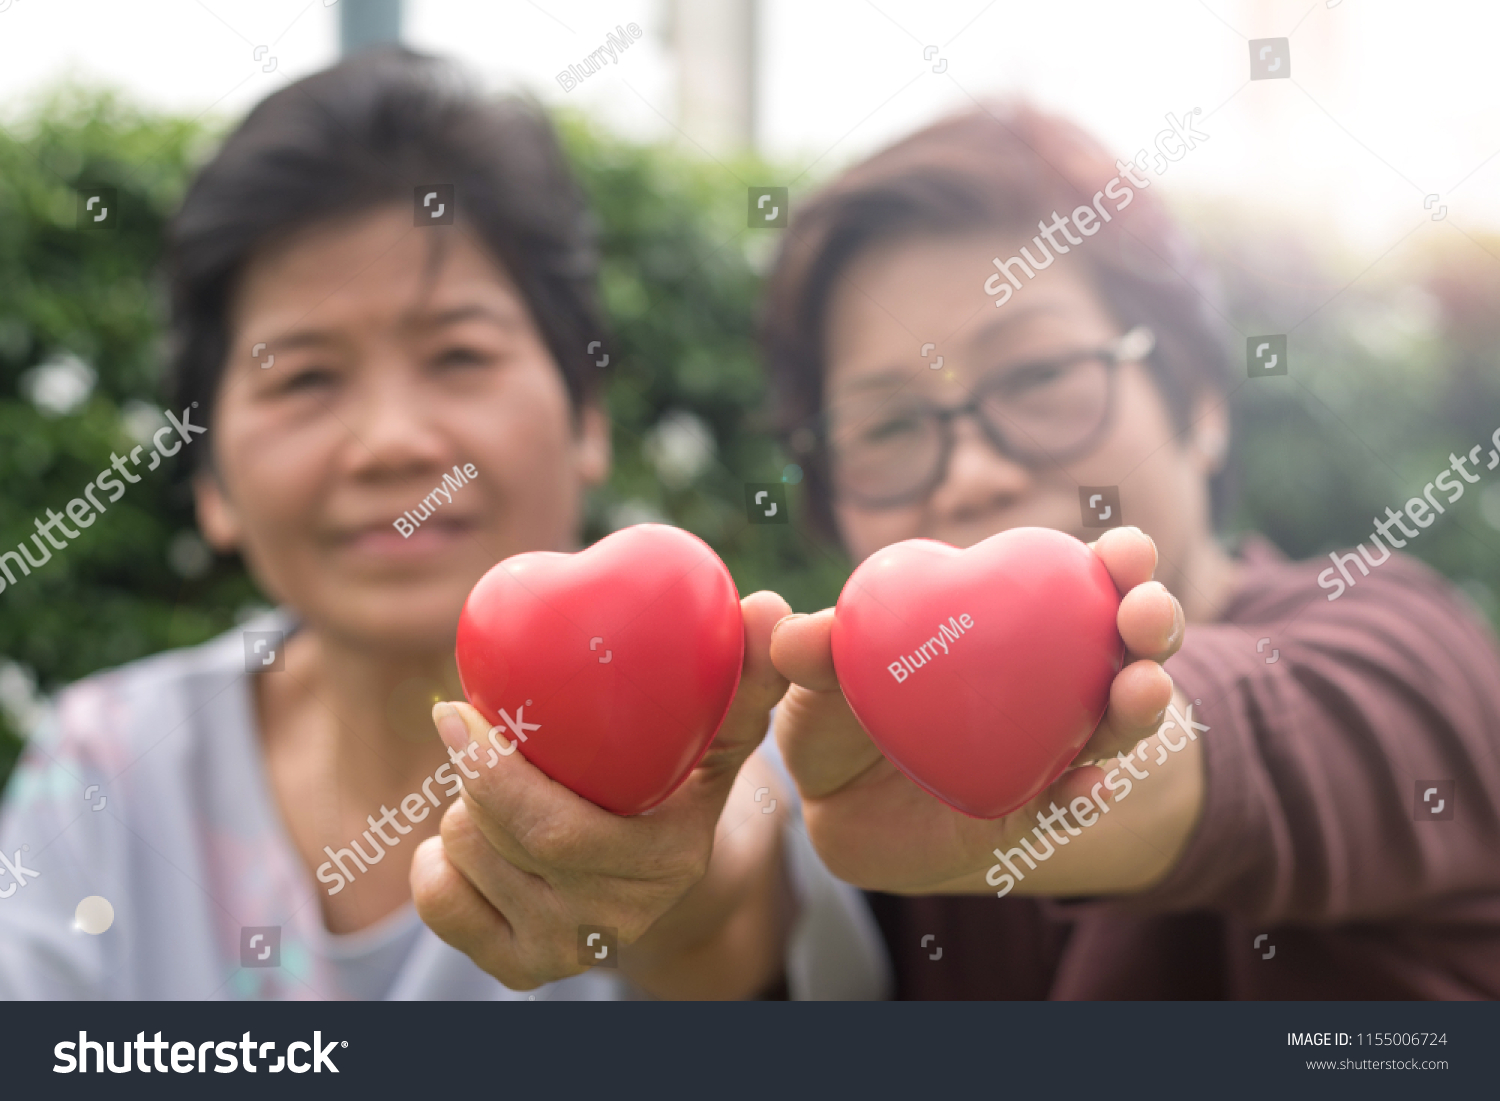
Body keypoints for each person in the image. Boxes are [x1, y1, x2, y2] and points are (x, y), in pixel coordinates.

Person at [0, 48, 888, 1001]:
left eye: (460, 353)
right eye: (302, 376)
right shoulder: (107, 764)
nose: (390, 442)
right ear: (211, 477)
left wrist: (685, 890)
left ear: (585, 415)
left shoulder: (746, 741)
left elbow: (736, 925)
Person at [759, 103, 1500, 998]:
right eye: (887, 426)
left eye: (1038, 374)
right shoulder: (856, 792)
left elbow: (1263, 743)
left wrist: (1091, 756)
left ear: (1200, 404)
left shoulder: (1412, 656)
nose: (972, 472)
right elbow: (735, 931)